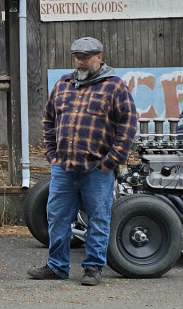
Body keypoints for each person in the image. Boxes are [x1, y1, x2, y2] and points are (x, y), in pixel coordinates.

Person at [30, 36, 137, 286]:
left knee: (98, 219)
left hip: (97, 168)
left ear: (99, 57)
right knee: (56, 216)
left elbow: (128, 125)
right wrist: (52, 156)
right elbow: (48, 120)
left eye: (86, 57)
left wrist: (111, 161)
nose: (81, 61)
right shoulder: (63, 84)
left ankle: (93, 269)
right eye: (77, 57)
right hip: (63, 168)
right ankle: (57, 266)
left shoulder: (115, 87)